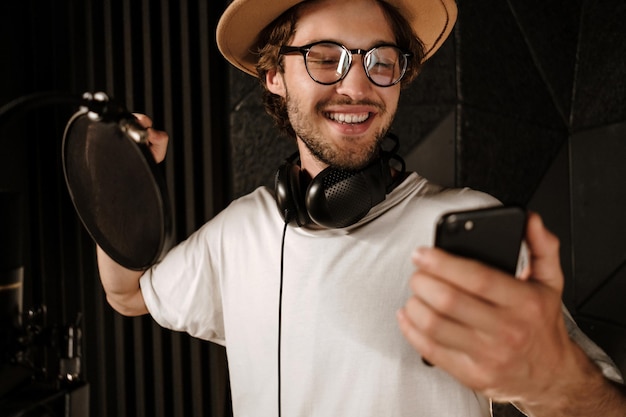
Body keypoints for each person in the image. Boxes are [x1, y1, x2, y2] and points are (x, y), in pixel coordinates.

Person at [98, 0, 626, 415]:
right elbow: (127, 294)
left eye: (380, 61)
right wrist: (119, 180)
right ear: (274, 76)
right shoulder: (239, 231)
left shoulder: (466, 226)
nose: (357, 86)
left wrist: (559, 384)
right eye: (325, 58)